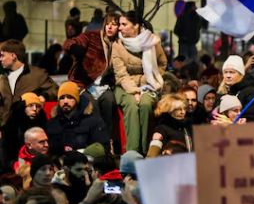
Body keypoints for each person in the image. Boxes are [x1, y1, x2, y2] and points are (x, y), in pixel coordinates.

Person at [111, 11, 167, 153]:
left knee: (146, 104)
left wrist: (146, 83)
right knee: (131, 106)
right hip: (125, 86)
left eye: (124, 24)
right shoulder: (117, 45)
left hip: (150, 84)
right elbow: (121, 74)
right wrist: (135, 91)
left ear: (135, 26)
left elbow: (162, 64)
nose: (120, 28)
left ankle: (146, 151)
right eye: (120, 24)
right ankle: (133, 152)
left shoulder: (152, 41)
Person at [63, 13, 120, 146]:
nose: (110, 27)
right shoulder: (93, 36)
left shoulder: (118, 44)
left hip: (104, 85)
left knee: (109, 101)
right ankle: (96, 144)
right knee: (92, 106)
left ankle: (107, 143)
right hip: (84, 83)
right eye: (108, 23)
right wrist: (74, 48)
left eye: (114, 24)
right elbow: (71, 42)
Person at [0, 39, 58, 126]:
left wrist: (44, 96)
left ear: (13, 56)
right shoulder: (2, 77)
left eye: (2, 55)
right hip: (6, 131)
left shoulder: (37, 74)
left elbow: (55, 89)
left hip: (29, 128)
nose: (0, 59)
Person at [45, 81, 109, 155]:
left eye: (70, 97)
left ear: (77, 99)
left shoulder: (93, 122)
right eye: (62, 98)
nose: (65, 101)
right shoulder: (51, 124)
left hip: (86, 162)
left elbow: (103, 148)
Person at [218, 55, 254, 122]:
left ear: (241, 74)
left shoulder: (252, 92)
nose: (228, 76)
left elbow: (253, 118)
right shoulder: (227, 91)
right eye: (225, 72)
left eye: (232, 72)